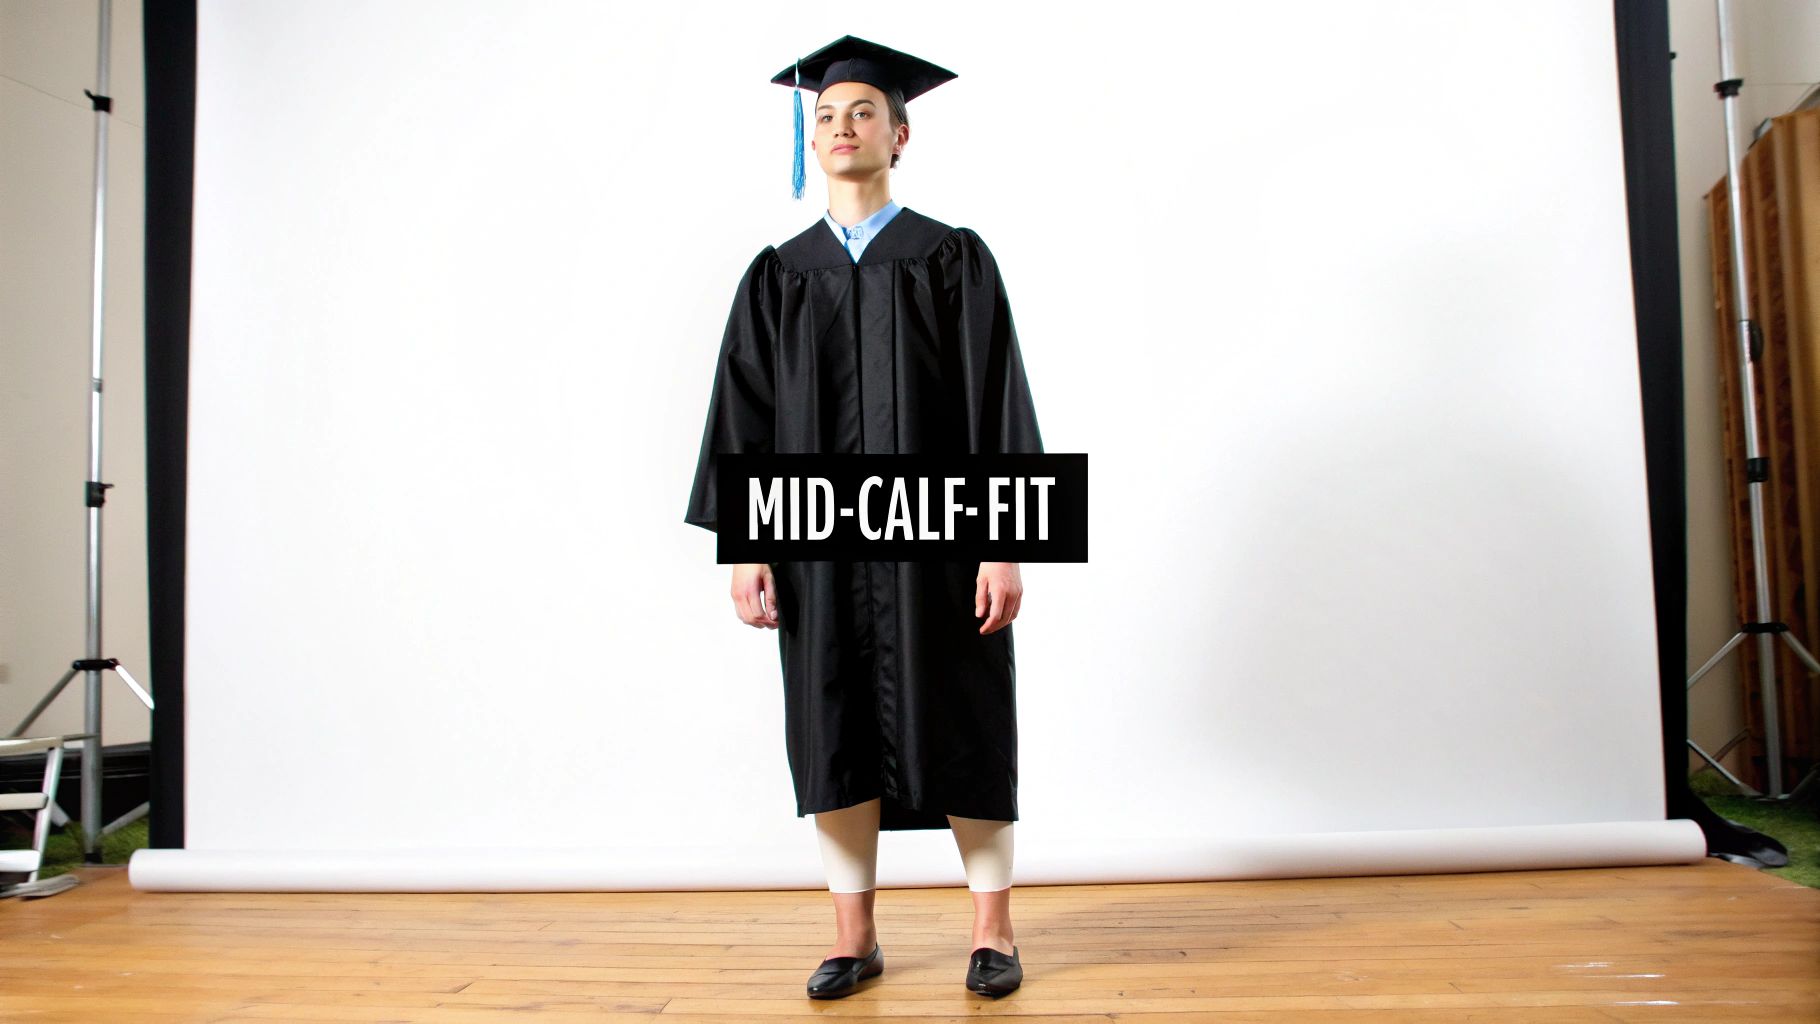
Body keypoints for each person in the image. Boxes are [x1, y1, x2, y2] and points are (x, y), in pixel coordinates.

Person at [684, 34, 1042, 1000]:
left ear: (901, 130)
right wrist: (744, 548)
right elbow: (743, 418)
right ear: (815, 140)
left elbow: (995, 398)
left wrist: (1005, 542)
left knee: (967, 719)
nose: (843, 128)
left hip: (942, 535)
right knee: (831, 722)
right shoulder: (775, 276)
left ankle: (994, 935)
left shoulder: (954, 261)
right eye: (827, 117)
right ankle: (854, 939)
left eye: (863, 113)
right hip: (814, 542)